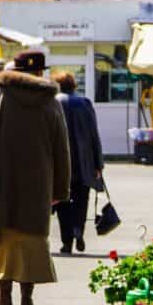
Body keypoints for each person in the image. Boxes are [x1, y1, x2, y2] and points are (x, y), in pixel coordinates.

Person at [0, 50, 70, 305]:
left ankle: (4, 298)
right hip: (39, 186)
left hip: (1, 184)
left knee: (2, 238)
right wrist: (60, 189)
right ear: (39, 72)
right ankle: (27, 301)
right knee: (33, 241)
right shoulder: (51, 101)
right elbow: (62, 150)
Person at [52, 69, 104, 255]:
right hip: (84, 162)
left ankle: (67, 242)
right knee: (82, 201)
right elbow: (94, 135)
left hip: (60, 163)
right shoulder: (85, 103)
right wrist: (99, 164)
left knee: (63, 203)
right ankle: (78, 230)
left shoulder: (54, 102)